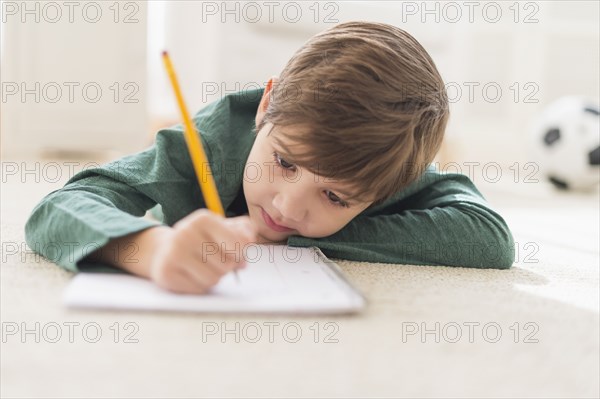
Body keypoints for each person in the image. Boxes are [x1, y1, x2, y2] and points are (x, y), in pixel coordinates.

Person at [25, 21, 515, 294]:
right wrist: (148, 250)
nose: (287, 208)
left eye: (335, 196)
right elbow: (57, 210)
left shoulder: (384, 165)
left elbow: (490, 239)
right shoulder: (211, 143)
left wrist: (299, 241)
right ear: (265, 105)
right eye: (284, 162)